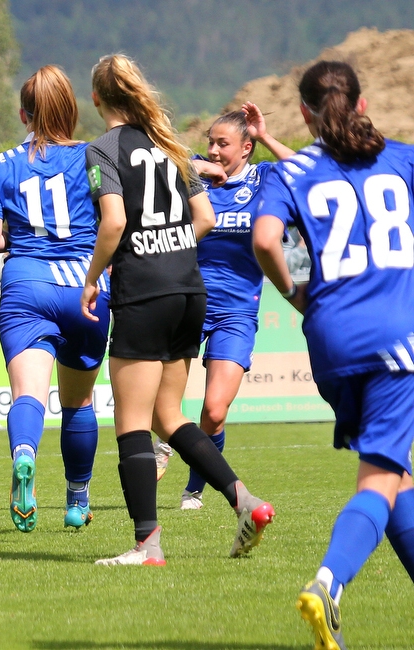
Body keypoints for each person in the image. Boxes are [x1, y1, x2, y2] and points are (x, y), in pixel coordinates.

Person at [80, 54, 274, 565]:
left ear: (97, 98)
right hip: (190, 289)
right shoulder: (171, 146)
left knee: (132, 423)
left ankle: (147, 545)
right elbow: (205, 215)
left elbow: (114, 223)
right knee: (169, 416)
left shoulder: (102, 149)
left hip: (143, 293)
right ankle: (244, 501)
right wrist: (169, 251)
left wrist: (93, 274)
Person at [252, 60, 414, 650]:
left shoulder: (288, 171)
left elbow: (267, 240)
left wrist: (297, 294)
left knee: (394, 473)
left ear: (303, 114)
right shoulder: (402, 158)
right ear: (363, 104)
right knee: (378, 478)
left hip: (329, 337)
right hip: (398, 339)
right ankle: (328, 584)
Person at [0, 64, 110, 532]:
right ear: (72, 110)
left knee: (27, 395)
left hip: (25, 287)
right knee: (78, 403)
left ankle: (24, 454)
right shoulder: (93, 158)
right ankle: (77, 500)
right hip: (83, 288)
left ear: (23, 114)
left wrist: (27, 235)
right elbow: (113, 217)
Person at [153, 105, 295, 509]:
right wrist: (195, 167)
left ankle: (195, 488)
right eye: (210, 143)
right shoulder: (195, 180)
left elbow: (308, 171)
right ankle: (164, 442)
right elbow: (157, 169)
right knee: (161, 399)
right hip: (186, 300)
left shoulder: (265, 178)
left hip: (236, 312)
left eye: (223, 144)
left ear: (246, 147)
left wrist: (267, 136)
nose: (214, 150)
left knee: (214, 410)